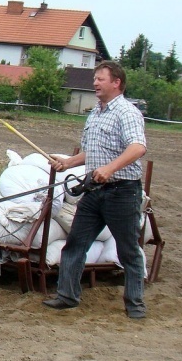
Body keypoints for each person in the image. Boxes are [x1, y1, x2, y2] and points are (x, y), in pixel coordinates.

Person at [43, 60, 148, 319]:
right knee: (75, 244)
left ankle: (135, 305)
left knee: (128, 250)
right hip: (94, 191)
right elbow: (92, 152)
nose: (95, 83)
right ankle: (67, 296)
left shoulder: (127, 112)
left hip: (122, 192)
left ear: (117, 83)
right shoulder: (95, 114)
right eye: (95, 79)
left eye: (101, 79)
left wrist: (110, 169)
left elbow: (137, 147)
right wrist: (68, 162)